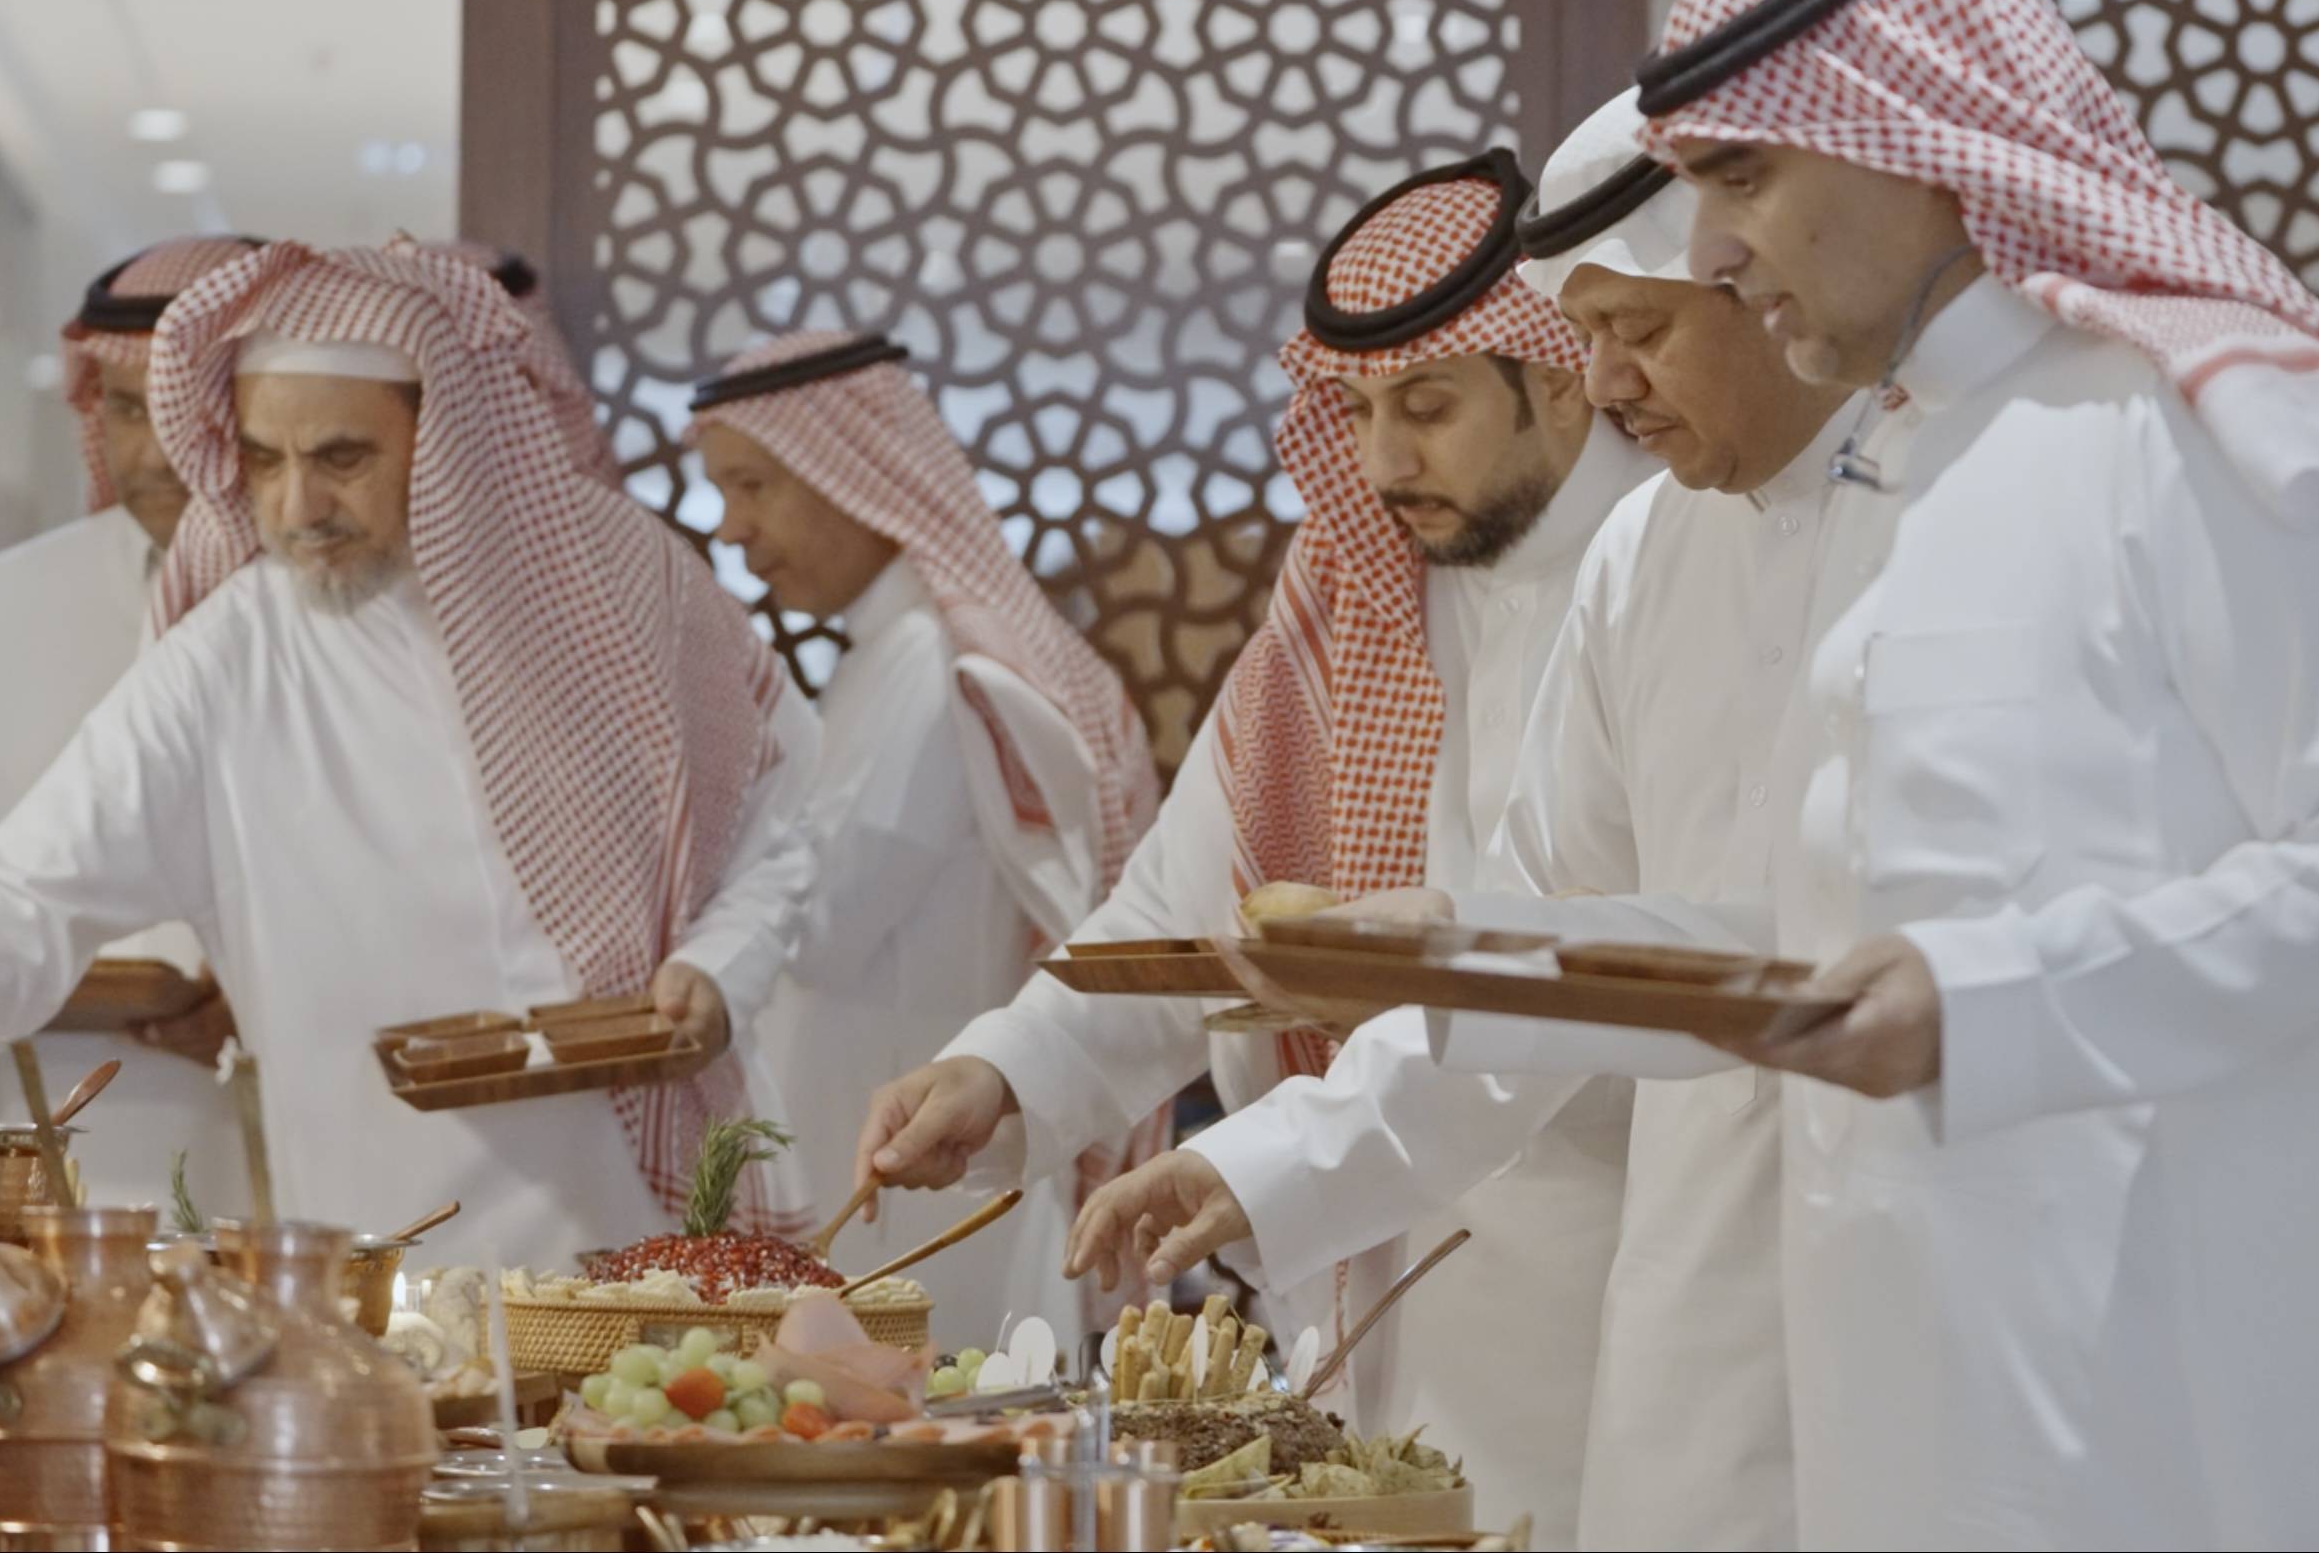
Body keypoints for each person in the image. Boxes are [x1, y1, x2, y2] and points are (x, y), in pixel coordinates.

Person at [1440, 0, 2319, 1546]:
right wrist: (1457, 955)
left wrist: (1987, 1008)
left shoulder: (2212, 423)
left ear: (1906, 132)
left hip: (2205, 1421)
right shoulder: (1897, 466)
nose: (1714, 249)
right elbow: (1823, 937)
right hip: (1927, 1418)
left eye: (1742, 177)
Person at [1061, 92, 1857, 1547]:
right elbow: (1526, 962)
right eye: (1586, 332)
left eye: (1636, 331)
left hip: (1887, 1274)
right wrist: (1262, 1159)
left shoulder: (1936, 517)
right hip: (1666, 1299)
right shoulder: (1647, 558)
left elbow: (1877, 955)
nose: (1604, 380)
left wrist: (1463, 952)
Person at [853, 152, 1655, 1458]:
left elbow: (1587, 979)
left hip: (1578, 1274)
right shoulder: (1352, 580)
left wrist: (1280, 1158)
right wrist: (1004, 1067)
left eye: (1427, 405)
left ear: (1559, 376)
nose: (1381, 460)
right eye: (1354, 409)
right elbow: (1182, 907)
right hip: (1342, 1252)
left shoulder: (1663, 566)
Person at [0, 240, 823, 1264]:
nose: (295, 510)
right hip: (381, 1251)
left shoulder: (621, 586)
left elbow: (781, 807)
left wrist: (721, 967)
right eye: (264, 461)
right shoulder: (230, 657)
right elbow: (13, 907)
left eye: (341, 459)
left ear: (446, 436)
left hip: (640, 1233)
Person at [685, 329, 1160, 1341]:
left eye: (753, 485)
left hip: (918, 1178)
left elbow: (820, 925)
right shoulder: (888, 651)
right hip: (889, 1154)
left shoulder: (925, 661)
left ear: (847, 470)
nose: (732, 528)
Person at [0, 238, 260, 1211]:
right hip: (24, 1152)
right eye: (123, 409)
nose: (150, 453)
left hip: (295, 1168)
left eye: (180, 413)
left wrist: (257, 996)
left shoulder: (336, 626)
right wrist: (44, 981)